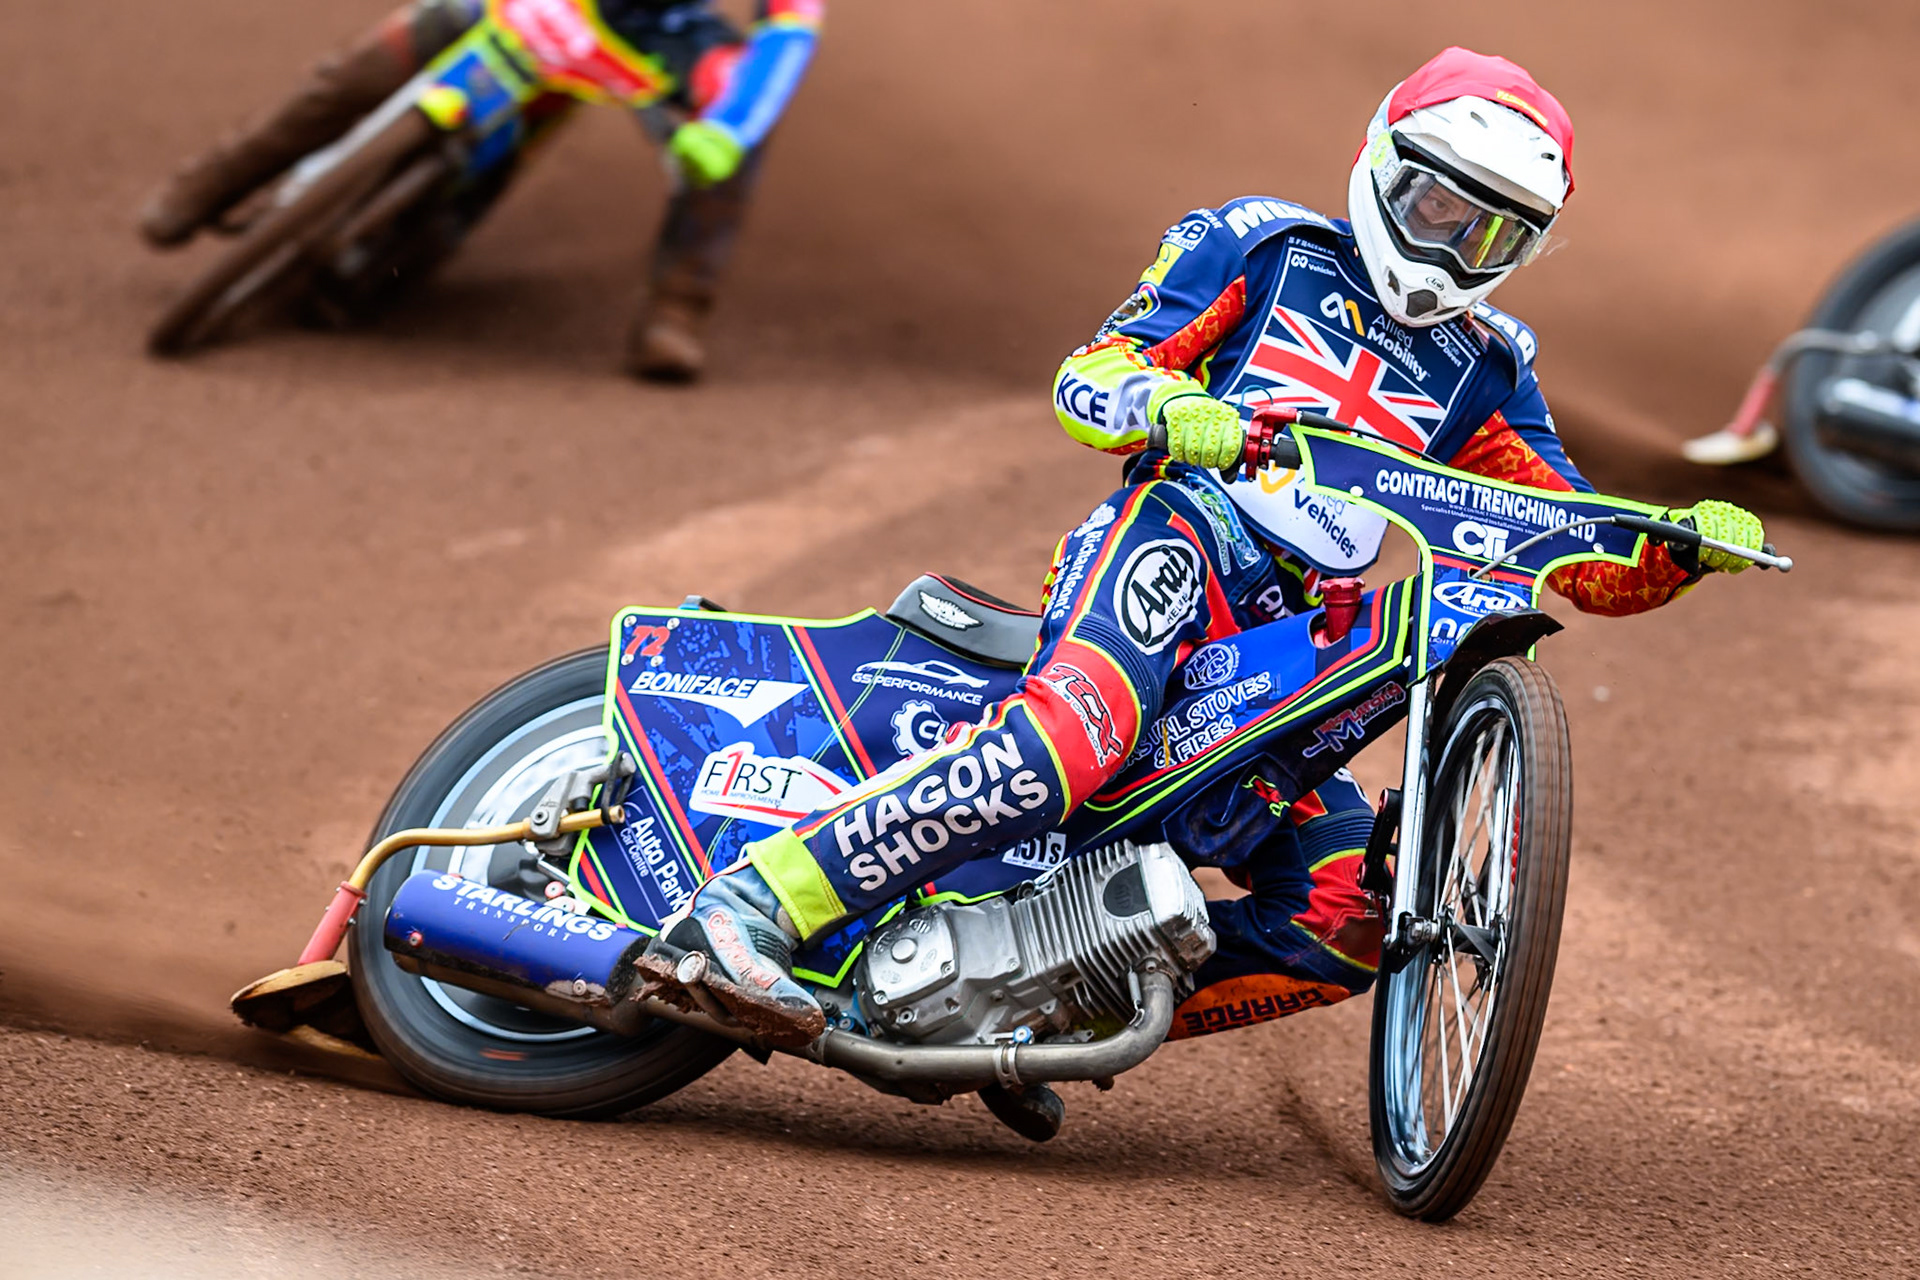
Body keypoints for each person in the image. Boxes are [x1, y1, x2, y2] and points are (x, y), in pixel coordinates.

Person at [635, 47, 1767, 1047]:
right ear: (1383, 166)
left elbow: (1570, 546)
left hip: (1295, 627)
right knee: (1068, 740)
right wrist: (1169, 408)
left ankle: (1041, 1003)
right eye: (1435, 205)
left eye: (1493, 232)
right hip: (1172, 534)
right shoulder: (1263, 245)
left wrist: (1674, 549)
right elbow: (1095, 371)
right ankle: (752, 908)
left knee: (1343, 915)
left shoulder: (1494, 366)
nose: (1453, 245)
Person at [136, 0, 825, 381]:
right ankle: (216, 178)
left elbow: (786, 37)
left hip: (669, 34)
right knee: (403, 41)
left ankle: (677, 311)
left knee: (736, 133)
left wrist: (728, 126)